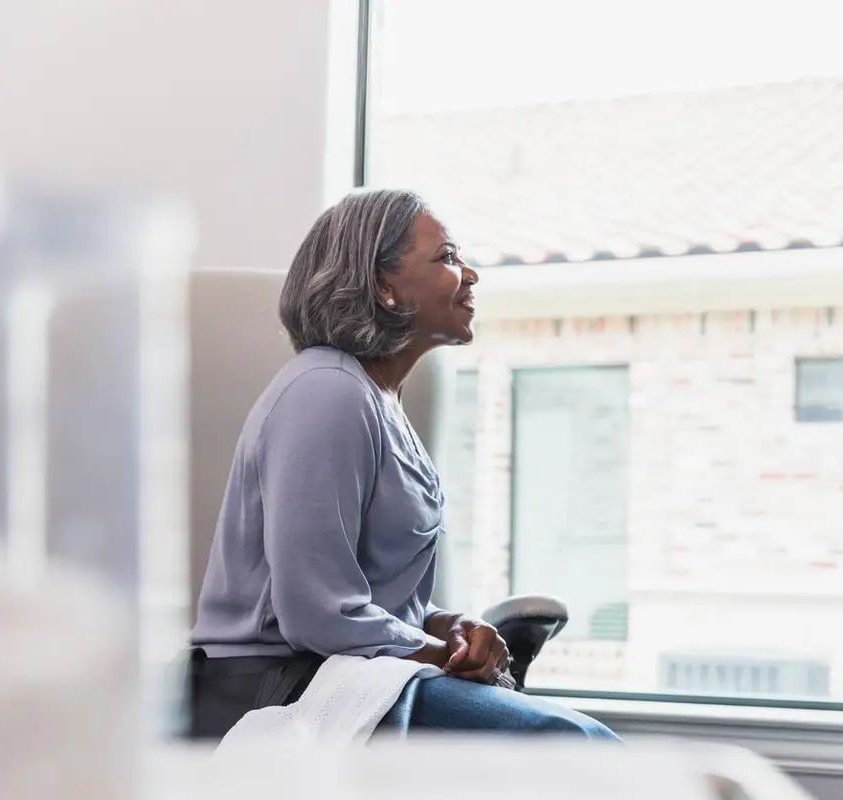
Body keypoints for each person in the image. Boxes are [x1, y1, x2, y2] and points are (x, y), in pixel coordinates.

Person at [187, 188, 617, 741]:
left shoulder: (377, 398)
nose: (470, 274)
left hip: (346, 673)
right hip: (274, 691)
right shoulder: (326, 391)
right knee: (575, 745)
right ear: (384, 287)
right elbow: (318, 613)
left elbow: (371, 595)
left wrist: (447, 624)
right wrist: (445, 657)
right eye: (447, 257)